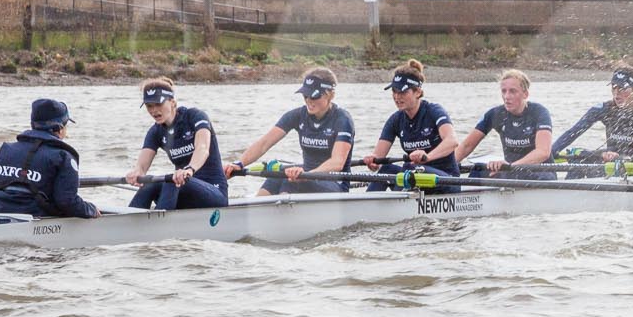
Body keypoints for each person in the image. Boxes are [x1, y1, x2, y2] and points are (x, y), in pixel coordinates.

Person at [228, 67, 355, 195]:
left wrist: (307, 175)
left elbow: (337, 162)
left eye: (314, 95)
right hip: (306, 177)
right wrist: (239, 163)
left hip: (334, 183)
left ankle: (282, 209)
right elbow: (264, 143)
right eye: (305, 95)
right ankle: (257, 210)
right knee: (275, 177)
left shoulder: (342, 119)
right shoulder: (297, 115)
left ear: (330, 95)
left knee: (292, 181)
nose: (308, 100)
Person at [0, 98, 99, 219]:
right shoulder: (63, 157)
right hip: (40, 224)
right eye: (66, 126)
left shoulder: (6, 149)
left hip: (0, 217)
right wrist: (90, 210)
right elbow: (67, 201)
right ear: (59, 129)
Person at [126, 77, 227, 210]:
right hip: (183, 191)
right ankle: (129, 223)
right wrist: (136, 173)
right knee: (150, 183)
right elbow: (142, 166)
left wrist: (189, 169)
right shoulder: (155, 131)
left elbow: (203, 148)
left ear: (172, 102)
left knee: (171, 181)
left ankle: (161, 226)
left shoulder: (195, 116)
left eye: (158, 104)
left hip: (214, 191)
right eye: (149, 105)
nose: (154, 110)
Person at [364, 58, 459, 182]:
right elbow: (378, 158)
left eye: (403, 92)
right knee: (385, 170)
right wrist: (373, 161)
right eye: (394, 91)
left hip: (445, 178)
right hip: (416, 177)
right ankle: (370, 200)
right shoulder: (395, 120)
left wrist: (427, 157)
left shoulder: (434, 111)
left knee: (412, 168)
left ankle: (400, 198)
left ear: (418, 92)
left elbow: (452, 142)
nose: (397, 97)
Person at [552, 65, 633, 162]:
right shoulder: (604, 109)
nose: (617, 94)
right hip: (608, 165)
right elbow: (572, 133)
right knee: (577, 161)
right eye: (614, 87)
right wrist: (550, 152)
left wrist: (621, 157)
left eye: (622, 88)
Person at [456, 69, 554, 175]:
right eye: (504, 91)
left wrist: (511, 167)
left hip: (540, 171)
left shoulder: (539, 112)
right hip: (511, 170)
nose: (507, 97)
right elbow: (466, 146)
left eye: (512, 91)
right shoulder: (496, 114)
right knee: (478, 170)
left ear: (525, 94)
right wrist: (447, 166)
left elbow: (543, 152)